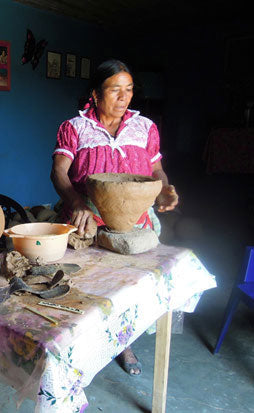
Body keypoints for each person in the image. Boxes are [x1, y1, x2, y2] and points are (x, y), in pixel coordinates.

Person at [50, 59, 178, 376]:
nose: (124, 97)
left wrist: (163, 190)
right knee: (88, 288)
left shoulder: (145, 127)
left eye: (129, 90)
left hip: (135, 223)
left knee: (128, 287)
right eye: (115, 90)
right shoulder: (75, 127)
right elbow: (59, 172)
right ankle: (79, 345)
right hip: (87, 221)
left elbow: (156, 170)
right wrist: (77, 202)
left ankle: (123, 342)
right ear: (95, 94)